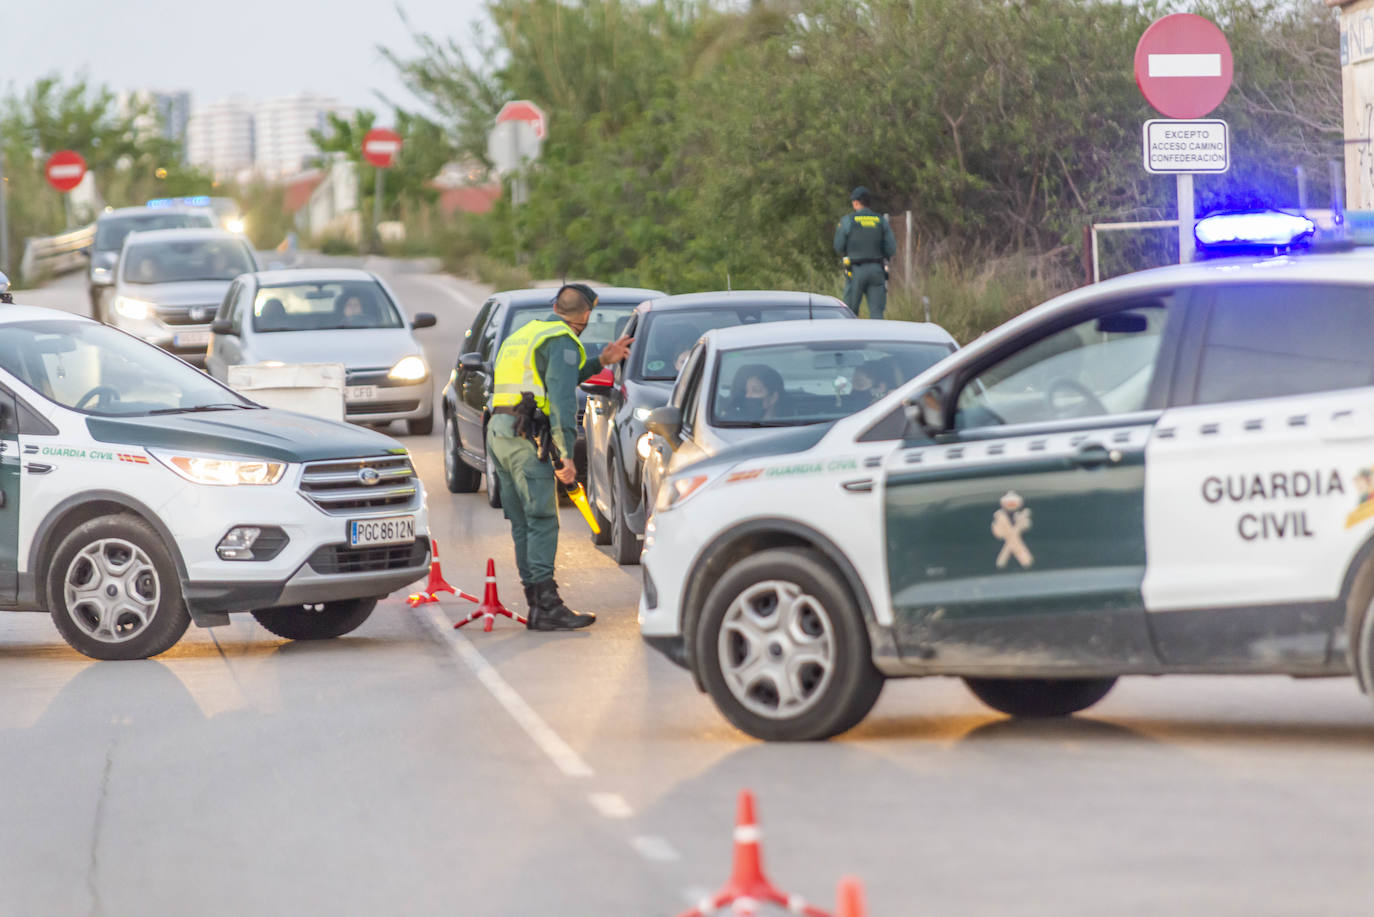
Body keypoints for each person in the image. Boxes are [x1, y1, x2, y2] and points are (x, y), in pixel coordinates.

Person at [487, 283, 634, 631]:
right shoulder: (563, 341)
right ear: (586, 314)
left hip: (499, 432)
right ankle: (547, 606)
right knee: (542, 520)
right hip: (526, 437)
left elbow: (552, 376)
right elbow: (563, 398)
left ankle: (537, 605)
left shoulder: (525, 336)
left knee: (523, 522)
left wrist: (601, 360)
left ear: (556, 307)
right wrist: (566, 455)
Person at [833, 186, 897, 319]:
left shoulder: (848, 221)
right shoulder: (880, 221)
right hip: (877, 270)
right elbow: (891, 248)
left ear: (856, 202)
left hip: (855, 271)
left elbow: (838, 246)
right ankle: (877, 339)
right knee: (877, 314)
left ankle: (852, 339)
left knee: (849, 314)